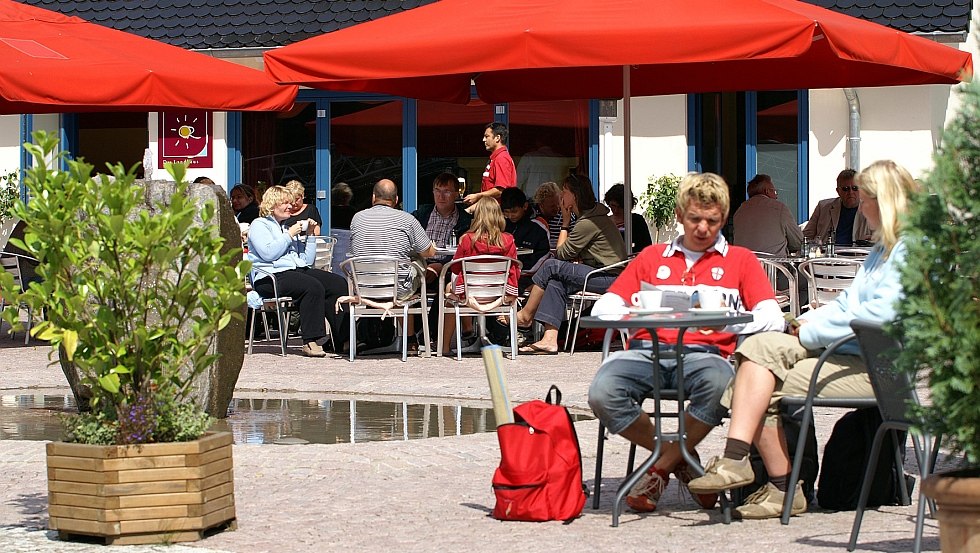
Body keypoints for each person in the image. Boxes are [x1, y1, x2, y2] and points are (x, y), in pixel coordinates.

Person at [687, 160, 920, 520]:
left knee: (760, 375)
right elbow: (846, 304)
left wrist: (809, 332)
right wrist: (801, 320)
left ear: (882, 201)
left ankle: (777, 483)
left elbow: (877, 317)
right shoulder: (882, 250)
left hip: (879, 367)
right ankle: (748, 467)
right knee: (757, 347)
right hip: (850, 353)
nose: (859, 204)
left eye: (865, 197)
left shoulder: (910, 251)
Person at [587, 172, 784, 514]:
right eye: (695, 219)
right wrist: (637, 310)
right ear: (680, 215)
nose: (703, 228)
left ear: (723, 217)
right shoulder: (651, 258)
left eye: (712, 220)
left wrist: (732, 320)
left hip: (706, 354)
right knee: (602, 392)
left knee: (721, 383)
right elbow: (605, 305)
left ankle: (660, 468)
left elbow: (773, 315)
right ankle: (680, 458)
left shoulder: (740, 260)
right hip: (646, 352)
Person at [513, 174, 627, 354]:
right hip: (601, 273)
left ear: (574, 195)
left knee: (552, 266)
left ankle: (527, 315)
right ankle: (549, 339)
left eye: (564, 192)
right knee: (556, 281)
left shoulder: (588, 222)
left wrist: (565, 223)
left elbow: (561, 255)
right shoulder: (592, 216)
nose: (561, 197)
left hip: (610, 278)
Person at [247, 185, 350, 357]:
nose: (291, 206)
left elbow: (306, 261)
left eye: (291, 202)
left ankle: (342, 338)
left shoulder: (285, 227)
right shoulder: (259, 225)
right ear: (273, 205)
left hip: (293, 271)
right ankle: (311, 340)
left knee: (337, 283)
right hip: (269, 277)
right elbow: (267, 254)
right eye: (285, 203)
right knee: (312, 286)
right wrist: (289, 235)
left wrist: (310, 236)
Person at [440, 197, 520, 355]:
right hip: (499, 295)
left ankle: (445, 346)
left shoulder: (468, 239)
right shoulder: (508, 240)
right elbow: (515, 269)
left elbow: (456, 267)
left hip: (470, 295)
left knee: (449, 293)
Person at [349, 178, 436, 300]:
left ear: (373, 197)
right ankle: (407, 315)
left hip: (363, 288)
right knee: (418, 260)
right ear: (396, 200)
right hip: (398, 291)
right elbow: (429, 252)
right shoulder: (407, 219)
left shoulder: (357, 218)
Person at [412, 173, 474, 277]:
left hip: (449, 270)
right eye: (437, 190)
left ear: (456, 194)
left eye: (447, 191)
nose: (441, 196)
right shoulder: (421, 214)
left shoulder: (466, 220)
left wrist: (442, 265)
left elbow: (465, 252)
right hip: (420, 266)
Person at [732, 174, 804, 256]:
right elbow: (798, 243)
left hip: (745, 266)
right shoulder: (779, 208)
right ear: (767, 191)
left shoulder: (739, 211)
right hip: (773, 266)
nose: (776, 196)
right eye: (774, 191)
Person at [803, 169, 873, 246]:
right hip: (828, 255)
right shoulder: (823, 207)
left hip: (859, 255)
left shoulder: (872, 209)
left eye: (855, 188)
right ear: (838, 191)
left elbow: (883, 238)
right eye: (845, 189)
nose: (850, 192)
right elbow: (806, 236)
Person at [499, 187, 550, 289]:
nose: (510, 215)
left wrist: (519, 271)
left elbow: (544, 254)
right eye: (506, 212)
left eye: (514, 211)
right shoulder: (501, 225)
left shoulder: (539, 227)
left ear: (525, 206)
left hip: (529, 277)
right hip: (502, 276)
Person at [463, 122, 517, 205]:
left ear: (497, 138)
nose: (483, 140)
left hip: (496, 213)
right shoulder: (496, 158)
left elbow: (501, 190)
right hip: (490, 211)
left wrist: (478, 196)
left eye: (487, 136)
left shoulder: (501, 158)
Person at [604, 183, 653, 252]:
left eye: (620, 207)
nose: (616, 210)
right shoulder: (605, 222)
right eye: (613, 205)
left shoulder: (637, 221)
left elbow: (646, 246)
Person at [533, 181, 575, 249]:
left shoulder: (566, 215)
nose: (557, 208)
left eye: (558, 204)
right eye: (552, 206)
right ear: (541, 205)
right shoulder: (533, 218)